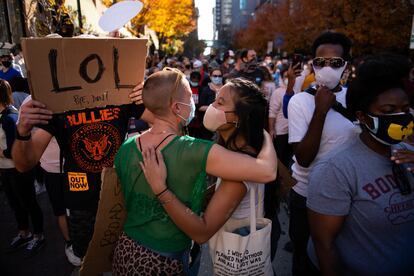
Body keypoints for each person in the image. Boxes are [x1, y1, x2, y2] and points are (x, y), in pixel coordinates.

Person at [112, 69, 277, 275]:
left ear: (240, 117)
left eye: (220, 102)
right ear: (176, 107)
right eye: (190, 98)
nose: (207, 106)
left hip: (125, 250)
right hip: (164, 261)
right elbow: (268, 171)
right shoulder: (199, 151)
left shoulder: (128, 146)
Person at [12, 84, 145, 264]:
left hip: (119, 195)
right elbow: (24, 164)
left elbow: (166, 122)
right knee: (88, 259)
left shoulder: (121, 92)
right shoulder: (57, 102)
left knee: (123, 256)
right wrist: (22, 131)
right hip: (81, 201)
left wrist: (152, 98)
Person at [307, 54, 414, 275]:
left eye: (405, 109)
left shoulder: (410, 155)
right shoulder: (336, 169)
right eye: (388, 111)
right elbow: (324, 244)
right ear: (362, 117)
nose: (400, 117)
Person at [287, 31, 357, 276]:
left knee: (340, 259)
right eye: (320, 62)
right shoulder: (299, 102)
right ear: (312, 64)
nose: (327, 67)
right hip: (306, 195)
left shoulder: (356, 99)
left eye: (335, 62)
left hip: (349, 197)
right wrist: (320, 111)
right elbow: (304, 158)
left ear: (346, 65)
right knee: (305, 262)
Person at [0, 80, 45, 257]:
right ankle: (24, 233)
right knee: (15, 204)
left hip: (18, 170)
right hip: (6, 171)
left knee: (29, 203)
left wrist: (2, 153)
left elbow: (16, 150)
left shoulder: (10, 117)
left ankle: (38, 235)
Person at [198, 68, 224, 140]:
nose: (217, 78)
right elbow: (200, 107)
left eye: (219, 76)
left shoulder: (226, 89)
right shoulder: (205, 90)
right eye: (215, 76)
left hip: (222, 125)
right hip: (208, 125)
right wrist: (214, 108)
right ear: (210, 77)